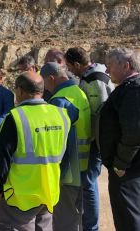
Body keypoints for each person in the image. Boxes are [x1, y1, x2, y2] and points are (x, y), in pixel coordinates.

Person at [0, 71, 70, 230]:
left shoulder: (15, 117)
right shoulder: (61, 115)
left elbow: (1, 160)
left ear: (19, 90)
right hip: (49, 192)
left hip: (20, 197)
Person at [65, 47, 114, 231]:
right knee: (86, 184)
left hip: (96, 143)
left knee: (88, 185)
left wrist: (96, 142)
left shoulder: (95, 81)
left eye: (70, 67)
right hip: (93, 142)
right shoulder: (90, 78)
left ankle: (91, 227)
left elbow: (101, 115)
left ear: (77, 64)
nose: (70, 71)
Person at [41, 62, 91, 231]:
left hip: (68, 168)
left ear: (51, 78)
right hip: (81, 163)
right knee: (75, 213)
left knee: (65, 217)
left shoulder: (60, 100)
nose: (44, 87)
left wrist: (58, 172)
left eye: (44, 82)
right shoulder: (77, 91)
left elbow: (58, 139)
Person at [99, 48, 140, 230]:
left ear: (126, 65)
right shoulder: (129, 89)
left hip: (128, 170)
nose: (107, 71)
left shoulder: (133, 91)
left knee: (129, 218)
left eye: (110, 66)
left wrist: (121, 164)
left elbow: (133, 132)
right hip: (128, 168)